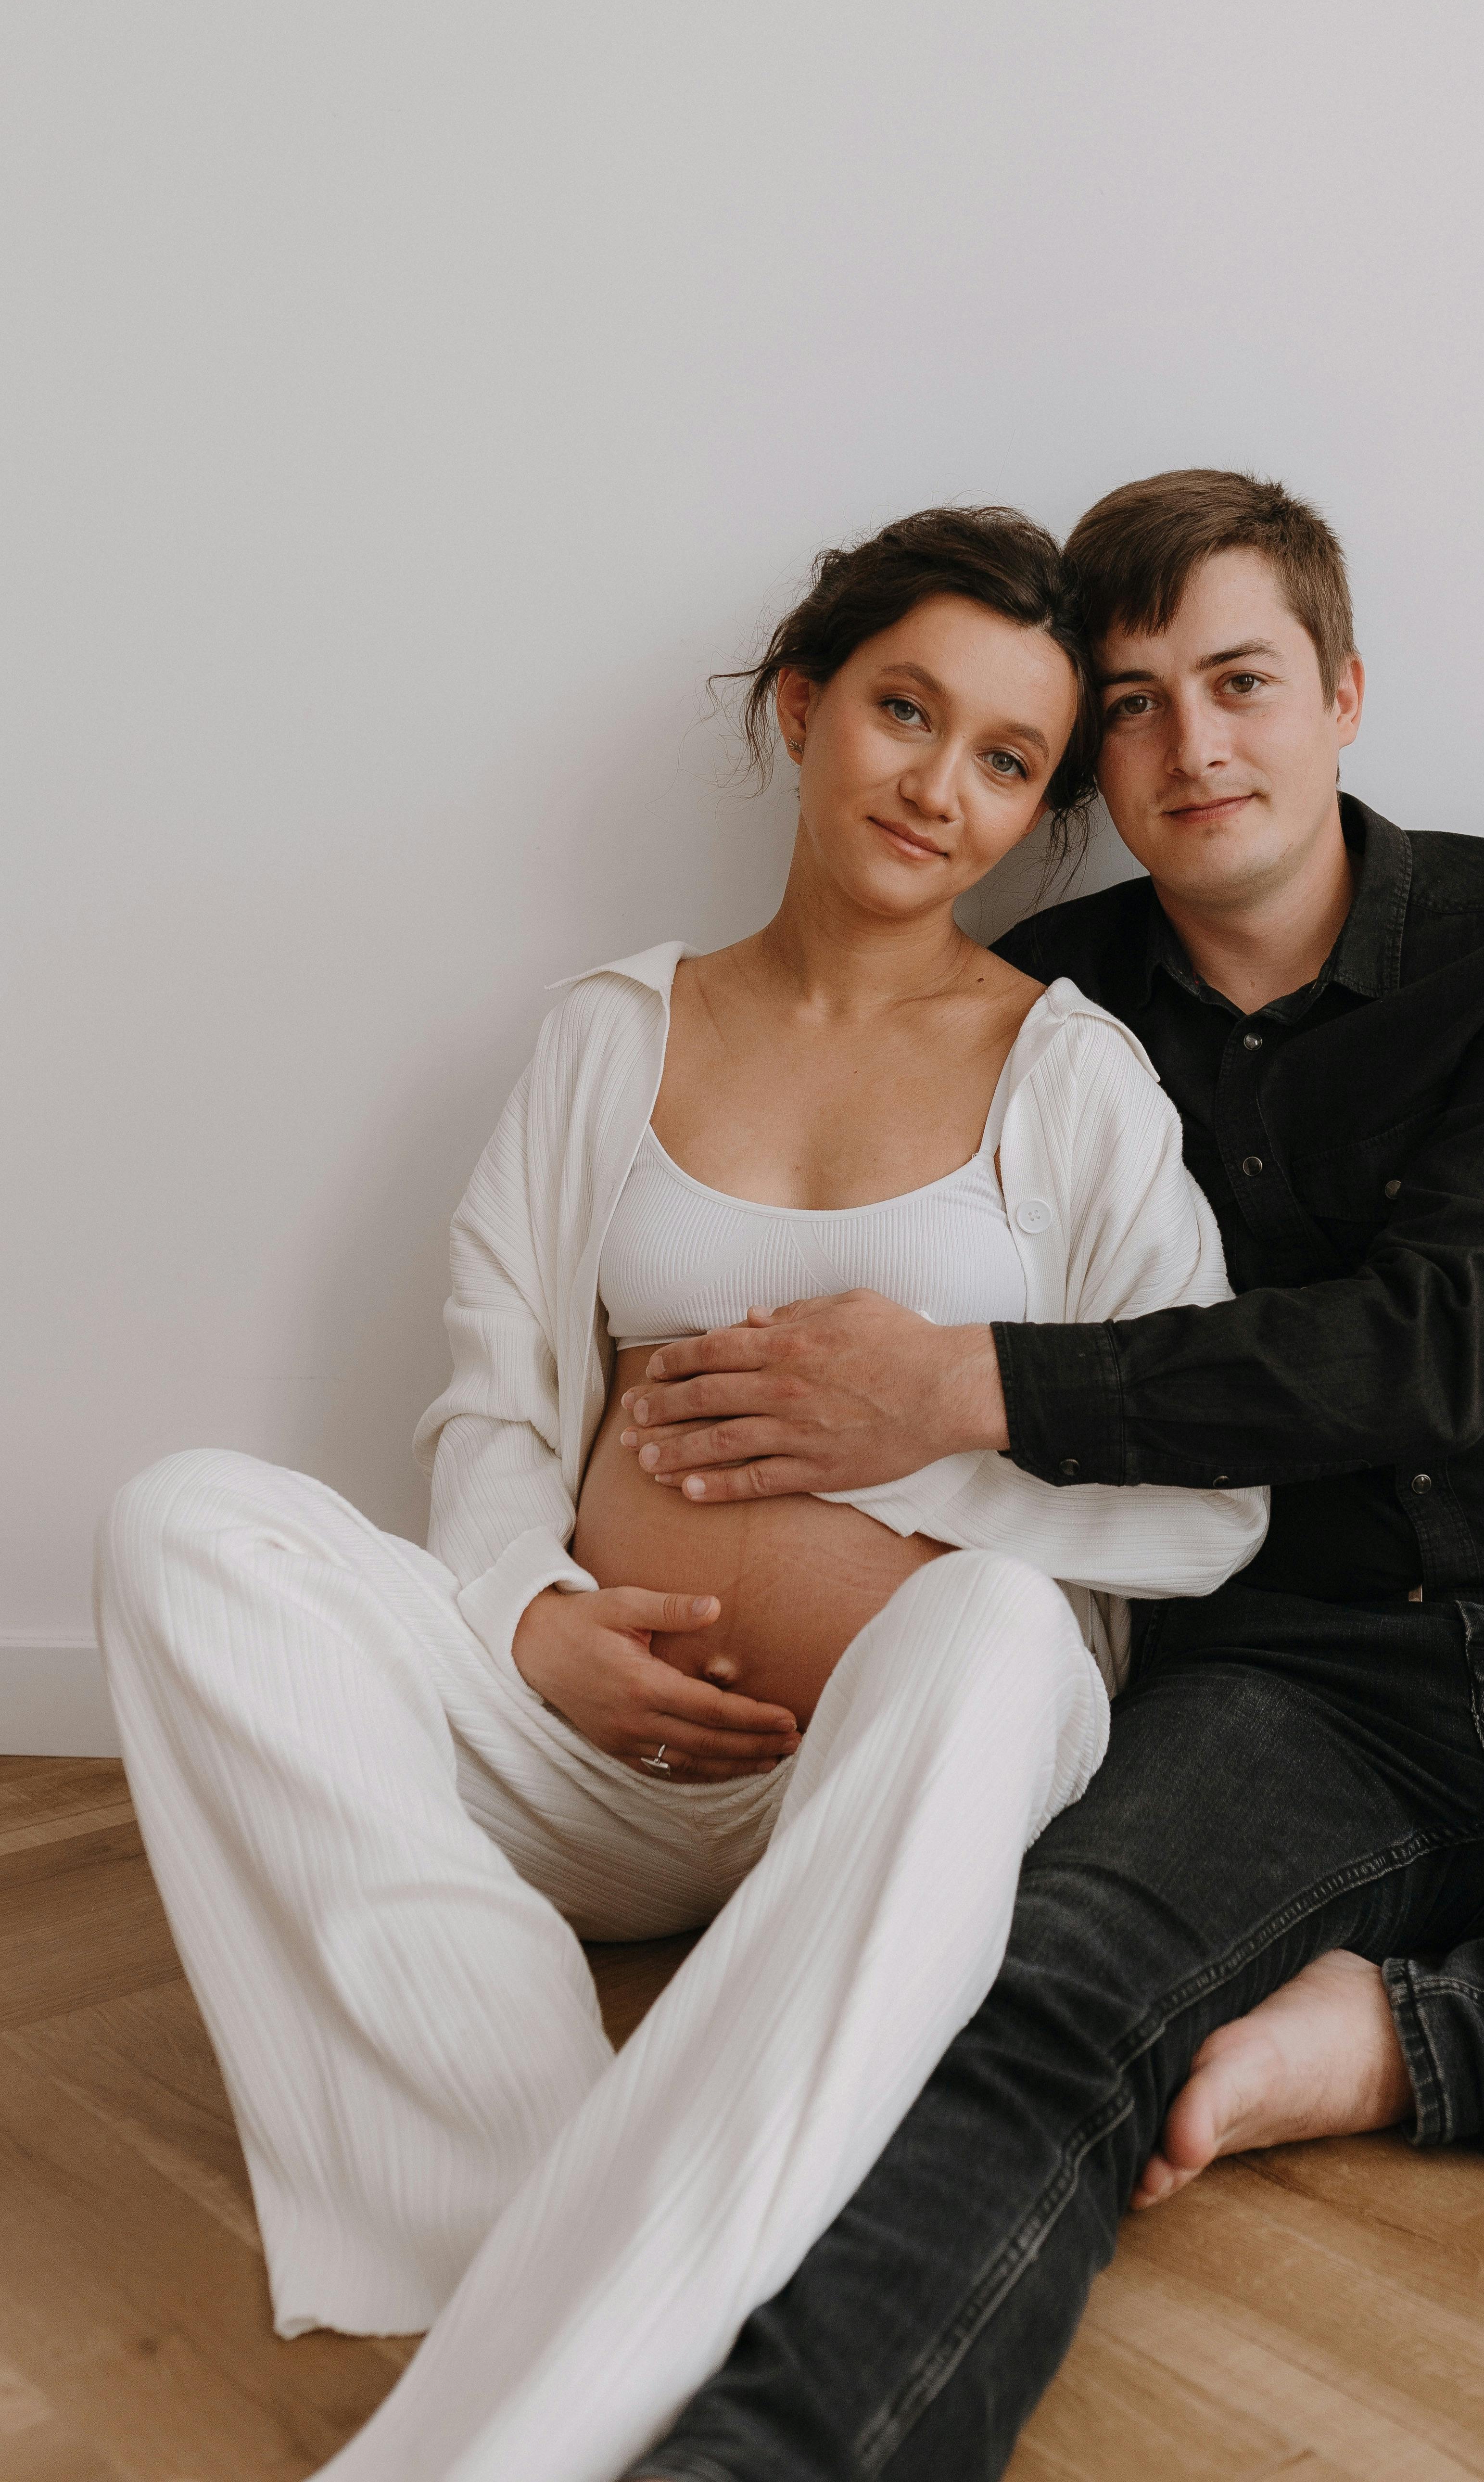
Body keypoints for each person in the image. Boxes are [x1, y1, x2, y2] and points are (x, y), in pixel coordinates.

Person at [627, 468, 1484, 2482]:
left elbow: (1442, 1346)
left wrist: (974, 1386)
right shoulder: (1040, 1010)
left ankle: (1433, 2041)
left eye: (1241, 680)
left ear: (1342, 695)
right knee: (1030, 2011)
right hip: (1277, 1695)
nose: (1194, 744)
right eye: (1132, 703)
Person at [95, 504, 1270, 2482]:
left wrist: (914, 1467)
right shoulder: (610, 1033)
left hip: (886, 1779)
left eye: (1006, 762)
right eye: (906, 711)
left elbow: (1212, 1497)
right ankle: (532, 2198)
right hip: (582, 1756)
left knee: (986, 1629)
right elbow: (487, 1412)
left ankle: (518, 2422)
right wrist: (525, 1619)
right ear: (803, 706)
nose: (942, 788)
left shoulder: (1068, 1078)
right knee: (186, 1525)